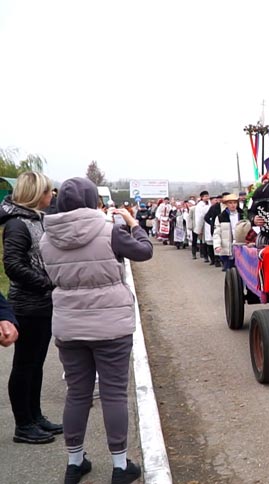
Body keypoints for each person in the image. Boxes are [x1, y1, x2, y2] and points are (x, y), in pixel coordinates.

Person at [40, 177, 153, 484]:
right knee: (114, 393)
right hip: (110, 324)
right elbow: (144, 251)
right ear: (93, 200)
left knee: (77, 394)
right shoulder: (109, 230)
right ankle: (119, 466)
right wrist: (134, 223)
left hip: (68, 323)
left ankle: (75, 463)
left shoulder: (46, 237)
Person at [0, 171, 61, 445]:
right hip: (27, 305)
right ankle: (22, 424)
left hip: (43, 303)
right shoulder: (17, 224)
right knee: (24, 365)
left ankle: (35, 416)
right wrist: (47, 283)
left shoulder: (36, 219)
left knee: (36, 364)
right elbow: (13, 266)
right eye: (48, 192)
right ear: (37, 194)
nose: (52, 196)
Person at [212, 194, 240, 271]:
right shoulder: (221, 217)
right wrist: (217, 245)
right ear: (226, 204)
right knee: (230, 271)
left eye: (234, 203)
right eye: (230, 203)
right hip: (228, 247)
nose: (233, 205)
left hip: (241, 246)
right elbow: (217, 233)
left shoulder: (242, 215)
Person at [193, 191, 210, 262]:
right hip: (202, 224)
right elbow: (198, 216)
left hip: (208, 223)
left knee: (209, 240)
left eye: (207, 196)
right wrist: (199, 227)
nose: (207, 197)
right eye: (205, 196)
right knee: (203, 241)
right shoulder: (199, 205)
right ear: (202, 197)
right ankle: (204, 255)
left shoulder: (209, 203)